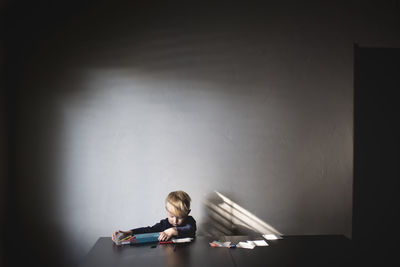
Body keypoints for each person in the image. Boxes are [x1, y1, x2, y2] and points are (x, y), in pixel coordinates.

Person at [112, 190, 196, 241]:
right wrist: (130, 232)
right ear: (167, 211)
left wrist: (173, 230)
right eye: (172, 216)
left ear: (187, 213)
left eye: (180, 217)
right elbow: (149, 230)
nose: (175, 221)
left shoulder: (190, 221)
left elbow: (190, 229)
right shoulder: (164, 223)